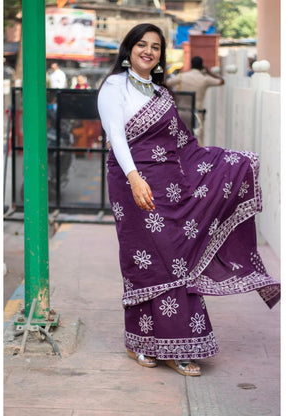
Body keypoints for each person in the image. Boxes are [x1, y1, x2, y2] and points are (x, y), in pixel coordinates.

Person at [97, 23, 280, 377]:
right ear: (129, 48)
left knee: (176, 257)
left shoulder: (160, 93)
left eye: (155, 47)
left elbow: (185, 146)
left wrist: (231, 163)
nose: (148, 52)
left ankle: (177, 343)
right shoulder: (114, 87)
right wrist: (135, 179)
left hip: (169, 184)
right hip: (132, 183)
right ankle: (141, 341)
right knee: (148, 260)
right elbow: (116, 136)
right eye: (141, 45)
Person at [166, 56, 224, 146]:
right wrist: (208, 72)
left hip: (182, 111)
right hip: (197, 113)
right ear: (201, 66)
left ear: (191, 65)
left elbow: (167, 83)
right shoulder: (205, 79)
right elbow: (221, 81)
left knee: (181, 135)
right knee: (198, 138)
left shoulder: (182, 77)